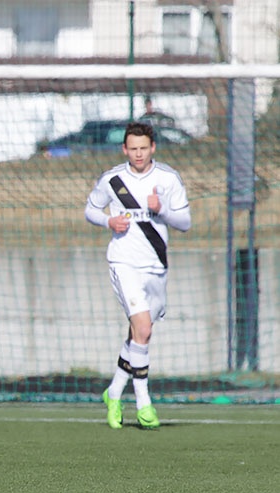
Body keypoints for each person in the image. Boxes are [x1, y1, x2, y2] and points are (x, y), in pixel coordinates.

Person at [85, 121, 191, 430]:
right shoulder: (113, 179)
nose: (139, 154)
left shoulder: (167, 179)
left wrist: (162, 211)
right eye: (133, 148)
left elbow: (184, 222)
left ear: (153, 148)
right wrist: (108, 222)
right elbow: (91, 209)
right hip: (124, 262)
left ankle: (114, 392)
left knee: (140, 334)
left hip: (156, 265)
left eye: (144, 148)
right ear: (124, 149)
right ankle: (144, 403)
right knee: (142, 327)